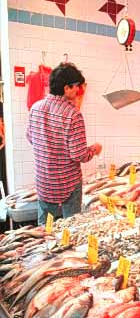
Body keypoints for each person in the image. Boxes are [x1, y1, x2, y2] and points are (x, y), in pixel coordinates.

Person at [26, 62, 102, 225]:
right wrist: (94, 150)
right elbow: (79, 154)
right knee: (72, 224)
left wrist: (48, 147)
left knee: (45, 228)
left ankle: (45, 248)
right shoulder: (73, 115)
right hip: (68, 183)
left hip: (44, 180)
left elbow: (30, 138)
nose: (78, 91)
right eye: (76, 87)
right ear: (66, 88)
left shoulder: (35, 108)